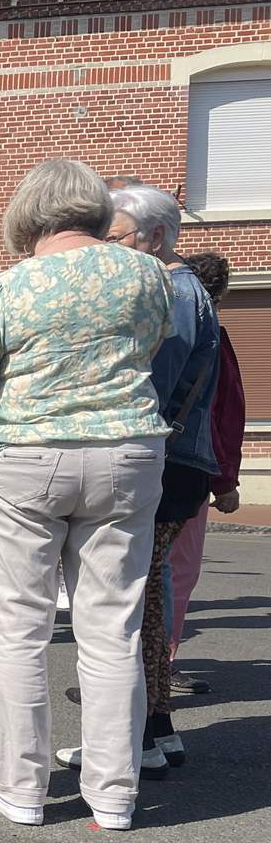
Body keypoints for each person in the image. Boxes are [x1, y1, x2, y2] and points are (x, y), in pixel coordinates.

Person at [0, 159, 174, 831]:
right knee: (112, 628)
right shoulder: (149, 275)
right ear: (94, 212)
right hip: (128, 450)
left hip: (27, 458)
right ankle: (114, 795)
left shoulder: (5, 286)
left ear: (27, 212)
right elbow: (150, 350)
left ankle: (21, 789)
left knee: (19, 626)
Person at [106, 185, 220, 767]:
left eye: (116, 235)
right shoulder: (186, 289)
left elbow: (153, 386)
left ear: (153, 238)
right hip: (178, 463)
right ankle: (156, 729)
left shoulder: (172, 292)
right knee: (150, 594)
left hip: (165, 461)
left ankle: (135, 738)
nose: (109, 247)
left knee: (138, 598)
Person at [168, 251, 246, 691]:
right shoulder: (212, 336)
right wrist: (226, 481)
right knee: (178, 572)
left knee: (135, 571)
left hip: (135, 462)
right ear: (221, 292)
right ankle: (159, 666)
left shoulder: (154, 329)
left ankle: (121, 671)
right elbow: (224, 414)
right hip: (188, 468)